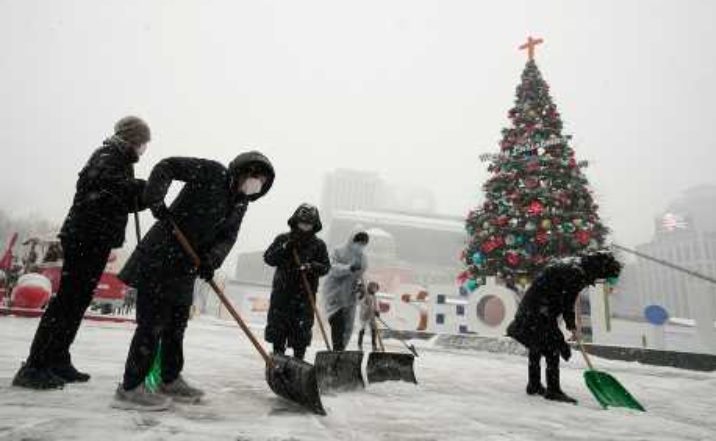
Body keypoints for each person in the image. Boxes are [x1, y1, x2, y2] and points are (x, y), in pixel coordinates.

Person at [114, 151, 274, 411]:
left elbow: (228, 237)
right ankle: (131, 386)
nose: (256, 183)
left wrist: (212, 259)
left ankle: (169, 379)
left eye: (262, 181)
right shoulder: (212, 172)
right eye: (253, 175)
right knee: (151, 325)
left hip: (186, 267)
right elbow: (166, 166)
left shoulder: (240, 202)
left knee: (176, 328)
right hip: (161, 255)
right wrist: (154, 199)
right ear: (241, 171)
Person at [13, 116, 151, 390]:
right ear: (131, 139)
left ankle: (58, 359)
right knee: (67, 301)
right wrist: (137, 188)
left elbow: (115, 199)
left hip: (96, 238)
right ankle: (35, 366)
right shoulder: (107, 155)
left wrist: (142, 197)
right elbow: (100, 186)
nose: (143, 148)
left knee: (77, 301)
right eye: (142, 142)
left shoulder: (120, 161)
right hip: (84, 237)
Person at [506, 250, 622, 404]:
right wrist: (570, 326)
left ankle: (534, 384)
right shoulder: (577, 274)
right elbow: (567, 301)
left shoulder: (574, 266)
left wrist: (568, 325)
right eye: (605, 277)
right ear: (600, 270)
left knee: (537, 344)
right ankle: (553, 390)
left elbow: (562, 298)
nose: (604, 280)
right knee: (552, 348)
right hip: (539, 310)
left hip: (534, 308)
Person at [264, 204, 330, 360]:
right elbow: (269, 258)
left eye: (309, 224)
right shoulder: (283, 239)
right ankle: (277, 361)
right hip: (282, 294)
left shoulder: (318, 245)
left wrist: (311, 266)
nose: (305, 227)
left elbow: (326, 267)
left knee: (300, 334)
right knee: (278, 331)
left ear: (314, 225)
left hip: (305, 297)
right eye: (302, 223)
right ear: (295, 221)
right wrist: (286, 247)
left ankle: (298, 361)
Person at [322, 231, 369, 351]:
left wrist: (361, 287)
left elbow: (360, 277)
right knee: (338, 324)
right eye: (358, 242)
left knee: (348, 328)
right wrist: (349, 268)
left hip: (349, 298)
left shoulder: (363, 258)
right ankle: (337, 352)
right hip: (334, 295)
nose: (360, 246)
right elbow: (332, 269)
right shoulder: (338, 251)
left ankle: (340, 353)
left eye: (363, 243)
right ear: (352, 240)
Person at [357, 281, 380, 352]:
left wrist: (377, 311)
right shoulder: (365, 295)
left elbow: (376, 305)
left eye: (376, 288)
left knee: (374, 329)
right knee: (362, 329)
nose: (375, 290)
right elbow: (362, 303)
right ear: (370, 287)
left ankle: (374, 345)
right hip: (364, 315)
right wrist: (368, 308)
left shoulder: (374, 296)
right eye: (374, 288)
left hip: (372, 315)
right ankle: (359, 343)